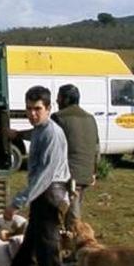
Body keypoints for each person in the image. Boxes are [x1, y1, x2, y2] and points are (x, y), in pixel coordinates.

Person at [4, 86, 72, 266]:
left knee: (47, 257)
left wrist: (16, 203)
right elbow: (35, 133)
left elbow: (44, 178)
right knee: (28, 252)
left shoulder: (53, 134)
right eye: (29, 109)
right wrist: (16, 135)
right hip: (42, 200)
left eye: (37, 109)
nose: (33, 114)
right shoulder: (42, 129)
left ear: (48, 108)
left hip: (48, 198)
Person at [52, 84, 99, 229]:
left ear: (65, 99)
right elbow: (96, 148)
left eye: (59, 97)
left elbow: (47, 139)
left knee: (70, 218)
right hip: (85, 173)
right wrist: (93, 172)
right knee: (74, 209)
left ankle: (74, 245)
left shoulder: (59, 118)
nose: (56, 100)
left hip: (67, 175)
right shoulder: (90, 118)